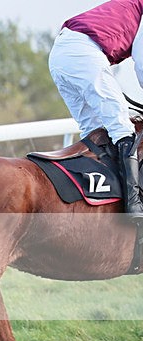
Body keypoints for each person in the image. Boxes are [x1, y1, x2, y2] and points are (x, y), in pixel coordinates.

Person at [49, 0, 143, 219]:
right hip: (82, 52)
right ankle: (135, 204)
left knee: (96, 133)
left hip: (60, 55)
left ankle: (97, 198)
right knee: (121, 127)